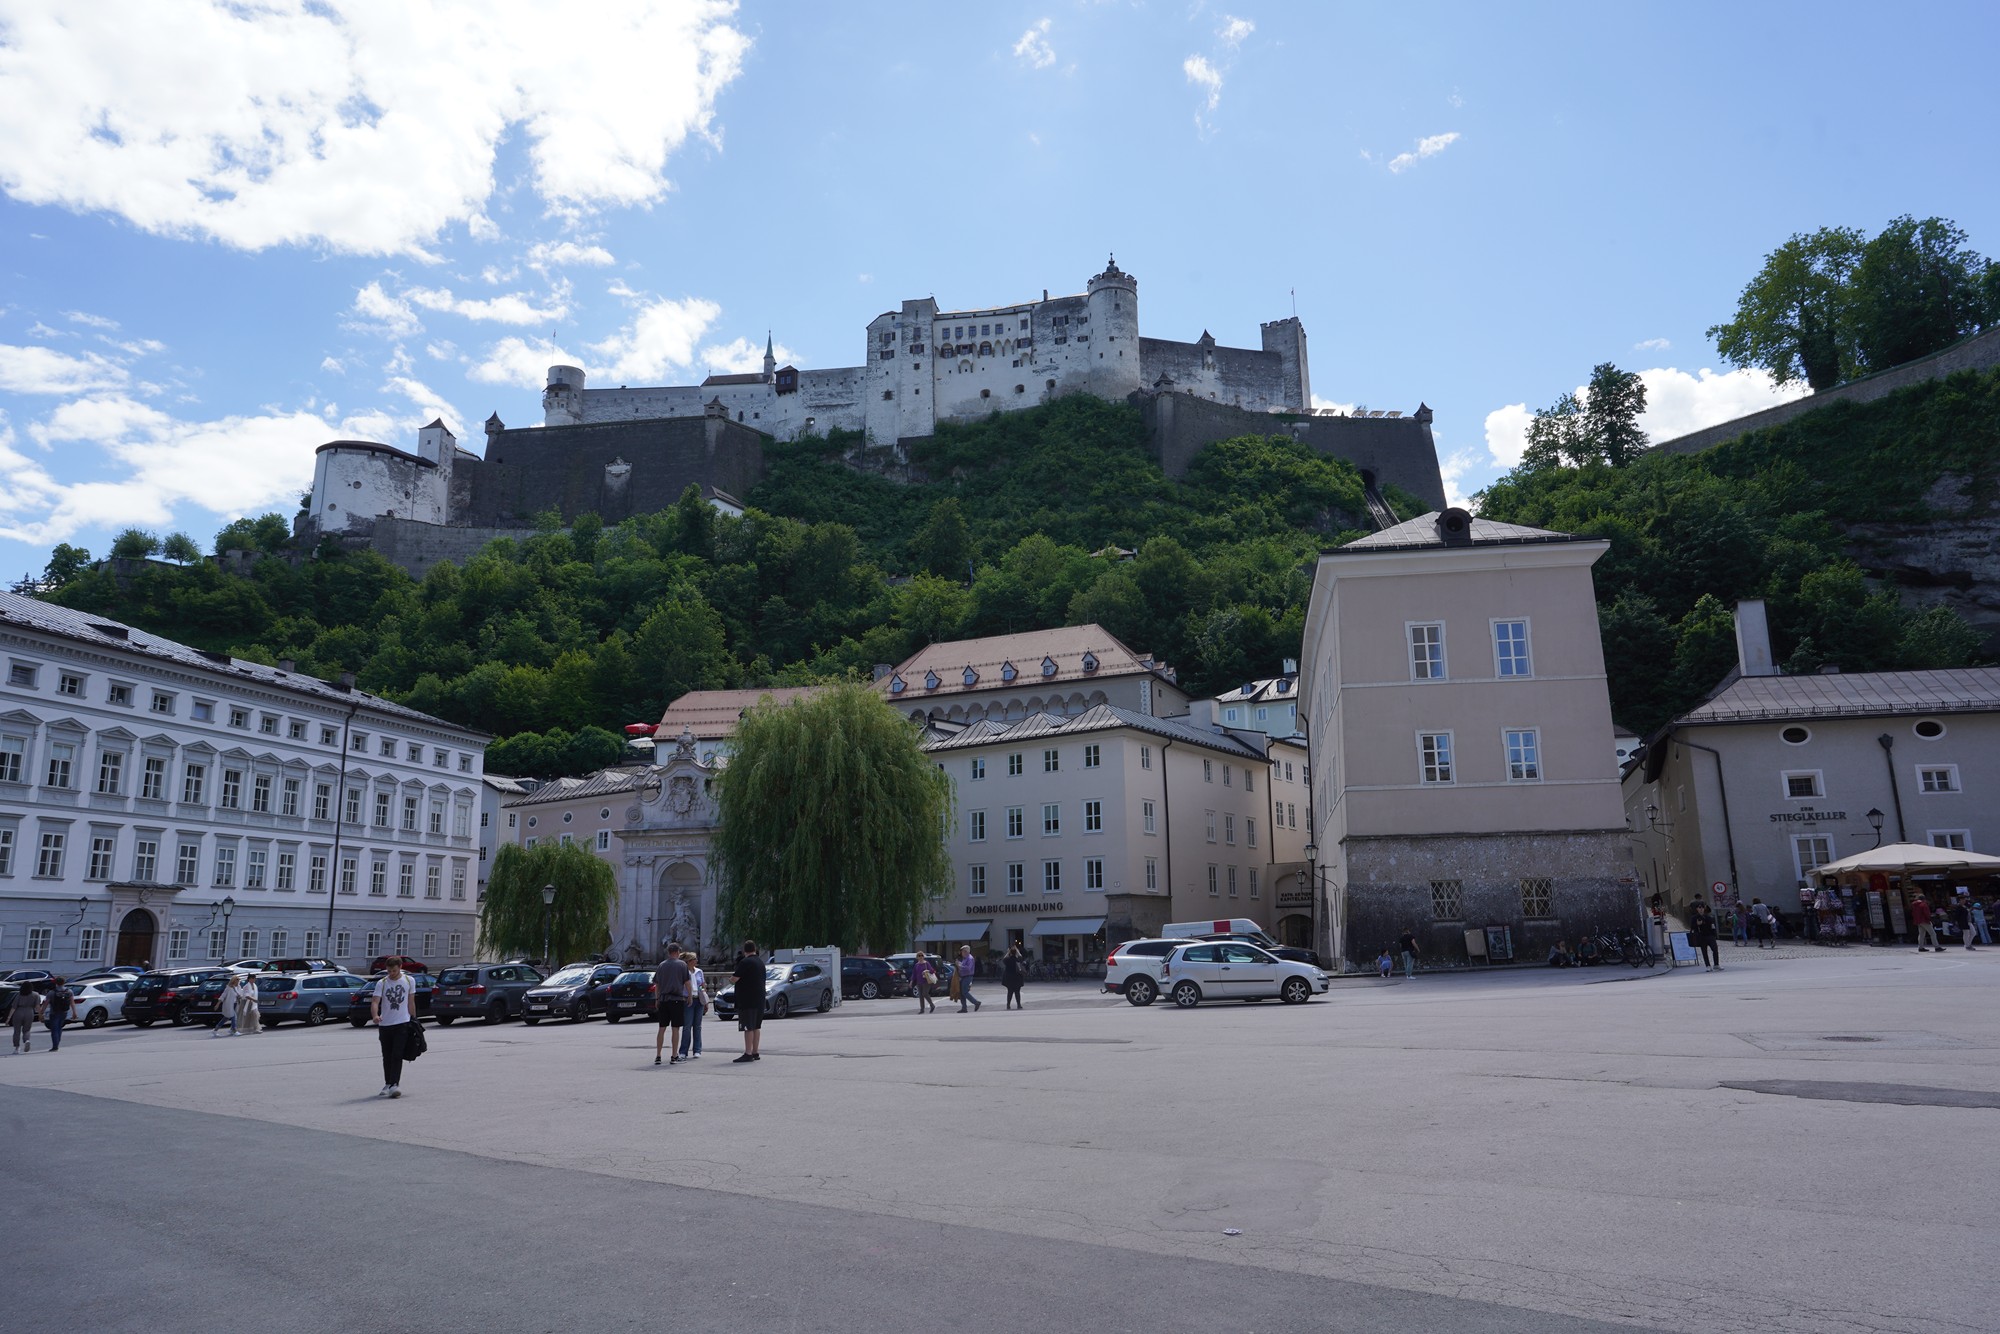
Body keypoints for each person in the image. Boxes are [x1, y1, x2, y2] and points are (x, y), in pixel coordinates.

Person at [370, 958, 416, 1097]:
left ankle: (395, 1084)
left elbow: (411, 1002)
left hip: (402, 1023)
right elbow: (375, 1001)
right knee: (387, 1056)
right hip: (385, 1024)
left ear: (400, 967)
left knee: (397, 1054)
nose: (392, 973)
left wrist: (414, 1020)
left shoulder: (409, 981)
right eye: (389, 971)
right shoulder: (382, 983)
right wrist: (375, 1015)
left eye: (394, 971)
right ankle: (388, 1083)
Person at [653, 944, 691, 1066]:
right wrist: (689, 996)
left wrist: (657, 998)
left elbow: (657, 984)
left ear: (669, 952)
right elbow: (687, 982)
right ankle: (674, 1055)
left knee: (662, 1028)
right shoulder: (682, 965)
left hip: (663, 999)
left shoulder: (661, 965)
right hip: (676, 999)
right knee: (675, 1029)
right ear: (678, 952)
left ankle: (658, 1055)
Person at [732, 940, 765, 1063]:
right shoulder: (760, 962)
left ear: (745, 950)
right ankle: (755, 1051)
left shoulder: (745, 962)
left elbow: (734, 979)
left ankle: (748, 1053)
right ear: (755, 949)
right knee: (756, 1026)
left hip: (747, 999)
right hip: (759, 999)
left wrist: (730, 979)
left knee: (748, 1027)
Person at [678, 955, 707, 1060]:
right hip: (687, 999)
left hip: (698, 999)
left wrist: (702, 992)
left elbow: (702, 985)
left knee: (697, 1026)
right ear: (689, 961)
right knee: (687, 1026)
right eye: (695, 959)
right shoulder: (684, 972)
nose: (697, 961)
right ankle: (683, 1051)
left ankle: (697, 1050)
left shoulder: (699, 971)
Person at [42, 979, 75, 1051]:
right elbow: (72, 1003)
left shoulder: (52, 992)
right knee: (59, 1027)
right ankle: (57, 1042)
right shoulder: (69, 991)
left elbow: (46, 1003)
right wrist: (74, 1012)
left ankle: (55, 1046)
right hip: (64, 1012)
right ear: (64, 982)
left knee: (54, 1029)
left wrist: (41, 1012)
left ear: (56, 983)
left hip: (54, 1012)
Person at [1689, 899, 1721, 972]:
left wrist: (1714, 935)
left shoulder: (1708, 917)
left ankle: (1716, 964)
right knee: (1704, 952)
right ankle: (1708, 965)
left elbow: (1713, 926)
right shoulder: (1694, 918)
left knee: (1715, 950)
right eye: (1699, 908)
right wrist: (1697, 924)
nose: (1701, 909)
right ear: (1697, 909)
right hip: (1701, 936)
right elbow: (1692, 927)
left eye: (1702, 908)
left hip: (1710, 936)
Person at [8, 984, 41, 1053]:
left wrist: (9, 1017)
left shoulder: (19, 994)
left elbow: (14, 1007)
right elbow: (37, 1006)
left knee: (16, 1031)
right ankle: (26, 1040)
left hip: (19, 1011)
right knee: (27, 1030)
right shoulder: (35, 994)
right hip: (29, 1012)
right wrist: (40, 1014)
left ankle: (17, 1048)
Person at [956, 945, 982, 1012]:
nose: (961, 953)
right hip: (964, 976)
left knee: (964, 992)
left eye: (962, 951)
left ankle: (976, 1002)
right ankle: (964, 1008)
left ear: (966, 952)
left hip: (968, 976)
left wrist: (960, 965)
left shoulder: (970, 958)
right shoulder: (965, 958)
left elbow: (968, 969)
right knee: (962, 993)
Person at [1002, 944, 1025, 1010]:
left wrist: (1008, 952)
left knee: (1010, 992)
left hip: (1009, 978)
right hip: (1017, 978)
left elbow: (1004, 959)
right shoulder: (1018, 960)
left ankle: (1008, 1005)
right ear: (1016, 953)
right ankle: (1019, 1005)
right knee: (1017, 992)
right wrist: (1017, 950)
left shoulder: (1007, 960)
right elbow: (1021, 956)